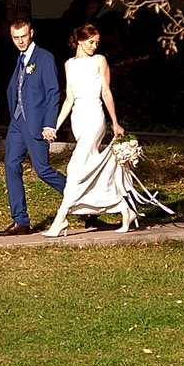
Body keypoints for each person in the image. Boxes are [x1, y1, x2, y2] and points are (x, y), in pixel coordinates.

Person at [42, 22, 135, 235]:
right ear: (80, 41)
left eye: (97, 42)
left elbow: (106, 93)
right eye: (91, 42)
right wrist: (54, 127)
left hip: (94, 115)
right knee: (91, 168)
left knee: (75, 169)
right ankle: (124, 209)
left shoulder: (99, 61)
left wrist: (115, 122)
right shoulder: (69, 64)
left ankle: (61, 218)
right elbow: (69, 99)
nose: (95, 46)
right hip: (78, 118)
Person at [0, 17, 64, 235]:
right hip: (17, 122)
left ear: (31, 33)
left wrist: (49, 124)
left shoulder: (44, 58)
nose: (20, 41)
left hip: (36, 123)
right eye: (15, 38)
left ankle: (82, 197)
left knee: (43, 170)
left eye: (23, 36)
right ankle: (21, 220)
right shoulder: (19, 59)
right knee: (10, 165)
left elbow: (53, 92)